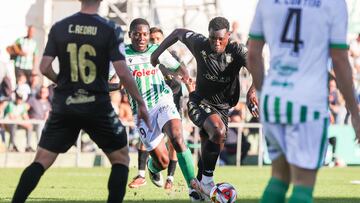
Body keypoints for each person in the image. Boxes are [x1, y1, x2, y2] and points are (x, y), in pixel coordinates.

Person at [11, 1, 151, 203]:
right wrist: (141, 103)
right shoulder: (110, 29)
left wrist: (63, 82)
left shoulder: (60, 27)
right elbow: (123, 72)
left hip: (65, 104)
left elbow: (43, 67)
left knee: (41, 161)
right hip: (97, 105)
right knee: (120, 159)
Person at [247, 1, 360, 203]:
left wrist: (264, 94)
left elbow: (253, 55)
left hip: (274, 100)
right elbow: (340, 60)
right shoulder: (333, 3)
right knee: (303, 185)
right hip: (309, 104)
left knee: (278, 178)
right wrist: (355, 112)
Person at [151, 16, 259, 198]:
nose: (216, 43)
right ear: (207, 35)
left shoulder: (237, 51)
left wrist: (251, 92)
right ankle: (207, 183)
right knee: (217, 130)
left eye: (220, 39)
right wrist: (157, 54)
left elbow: (258, 68)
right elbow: (178, 33)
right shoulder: (199, 43)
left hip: (223, 108)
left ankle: (197, 192)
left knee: (209, 145)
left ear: (229, 36)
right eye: (212, 38)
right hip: (198, 102)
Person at [123, 18, 202, 200]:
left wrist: (186, 75)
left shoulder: (155, 50)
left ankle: (193, 188)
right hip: (141, 111)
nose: (141, 38)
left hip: (162, 100)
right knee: (163, 161)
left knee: (177, 136)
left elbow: (177, 66)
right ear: (130, 35)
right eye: (137, 34)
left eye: (145, 34)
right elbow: (110, 81)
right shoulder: (121, 55)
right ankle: (152, 167)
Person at [128, 26, 183, 190]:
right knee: (157, 154)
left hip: (168, 100)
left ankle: (174, 179)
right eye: (153, 39)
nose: (155, 42)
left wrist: (186, 79)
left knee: (176, 139)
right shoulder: (143, 56)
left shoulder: (169, 56)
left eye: (159, 39)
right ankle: (145, 172)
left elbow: (179, 76)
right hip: (144, 107)